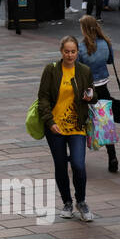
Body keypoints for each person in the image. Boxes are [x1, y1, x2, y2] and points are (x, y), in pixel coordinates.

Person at [36, 36, 95, 222]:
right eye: (67, 51)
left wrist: (90, 95)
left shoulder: (84, 70)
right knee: (60, 165)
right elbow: (43, 97)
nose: (70, 55)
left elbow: (93, 92)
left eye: (73, 51)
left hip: (77, 126)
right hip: (56, 127)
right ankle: (67, 202)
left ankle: (81, 201)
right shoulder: (51, 70)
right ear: (61, 51)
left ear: (78, 52)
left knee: (78, 164)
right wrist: (49, 121)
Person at [77, 15, 120, 173]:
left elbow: (77, 69)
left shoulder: (81, 47)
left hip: (88, 89)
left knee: (82, 121)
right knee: (105, 122)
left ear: (84, 29)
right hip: (103, 87)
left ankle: (78, 157)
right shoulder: (106, 43)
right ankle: (112, 156)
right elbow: (110, 61)